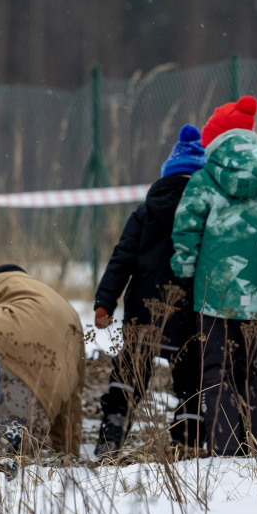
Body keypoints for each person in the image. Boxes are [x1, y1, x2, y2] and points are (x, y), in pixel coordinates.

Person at [170, 96, 257, 455]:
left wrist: (184, 278)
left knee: (218, 370)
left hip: (215, 296)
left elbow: (186, 233)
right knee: (255, 369)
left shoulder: (204, 179)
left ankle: (225, 449)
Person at [92, 124, 206, 457]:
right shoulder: (206, 212)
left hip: (145, 306)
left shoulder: (145, 211)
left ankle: (111, 435)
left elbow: (121, 258)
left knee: (131, 369)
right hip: (188, 307)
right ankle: (187, 439)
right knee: (190, 375)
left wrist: (105, 301)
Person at [0, 264, 84, 455]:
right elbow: (74, 396)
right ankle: (16, 433)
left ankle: (0, 442)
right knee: (16, 441)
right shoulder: (63, 305)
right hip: (46, 390)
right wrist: (67, 450)